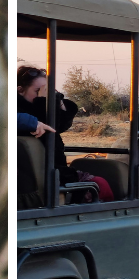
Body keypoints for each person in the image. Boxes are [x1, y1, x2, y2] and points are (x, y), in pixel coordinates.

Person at [17, 65, 112, 203]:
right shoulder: (24, 117)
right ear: (20, 90)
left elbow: (62, 124)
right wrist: (43, 102)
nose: (43, 95)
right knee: (100, 185)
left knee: (100, 183)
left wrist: (55, 99)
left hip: (52, 171)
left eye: (47, 91)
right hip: (45, 174)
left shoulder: (33, 111)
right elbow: (49, 126)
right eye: (38, 91)